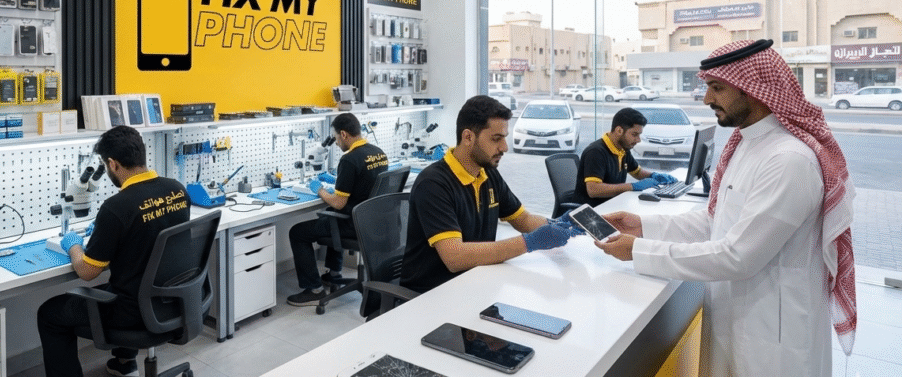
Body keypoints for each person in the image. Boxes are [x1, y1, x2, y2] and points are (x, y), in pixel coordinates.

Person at [596, 39, 856, 377]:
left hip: (774, 339)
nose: (707, 99)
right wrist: (644, 226)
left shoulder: (789, 160)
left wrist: (640, 251)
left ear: (754, 89)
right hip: (735, 318)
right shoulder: (750, 145)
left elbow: (738, 255)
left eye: (717, 88)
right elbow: (718, 223)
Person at [37, 125, 190, 377]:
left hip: (134, 312)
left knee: (50, 313)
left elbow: (87, 272)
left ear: (113, 164)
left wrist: (73, 244)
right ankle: (124, 362)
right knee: (127, 282)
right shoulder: (177, 189)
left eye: (106, 166)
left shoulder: (116, 207)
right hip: (176, 299)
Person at [400, 95, 583, 294]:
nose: (504, 147)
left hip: (476, 280)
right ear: (468, 137)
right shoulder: (434, 183)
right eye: (496, 139)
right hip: (433, 293)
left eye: (504, 138)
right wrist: (529, 242)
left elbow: (523, 219)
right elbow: (455, 258)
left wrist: (559, 225)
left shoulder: (487, 173)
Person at [286, 113, 389, 306]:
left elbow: (339, 203)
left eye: (335, 138)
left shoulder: (349, 159)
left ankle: (314, 289)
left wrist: (320, 190)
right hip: (375, 222)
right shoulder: (378, 152)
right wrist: (335, 181)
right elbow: (364, 183)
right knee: (330, 218)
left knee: (298, 231)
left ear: (344, 134)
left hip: (353, 225)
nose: (336, 143)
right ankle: (334, 275)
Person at [572, 107, 677, 206]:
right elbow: (593, 190)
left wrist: (654, 176)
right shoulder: (596, 152)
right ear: (619, 131)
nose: (638, 140)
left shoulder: (622, 149)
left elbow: (637, 172)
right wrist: (632, 186)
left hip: (613, 204)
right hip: (593, 210)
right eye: (634, 134)